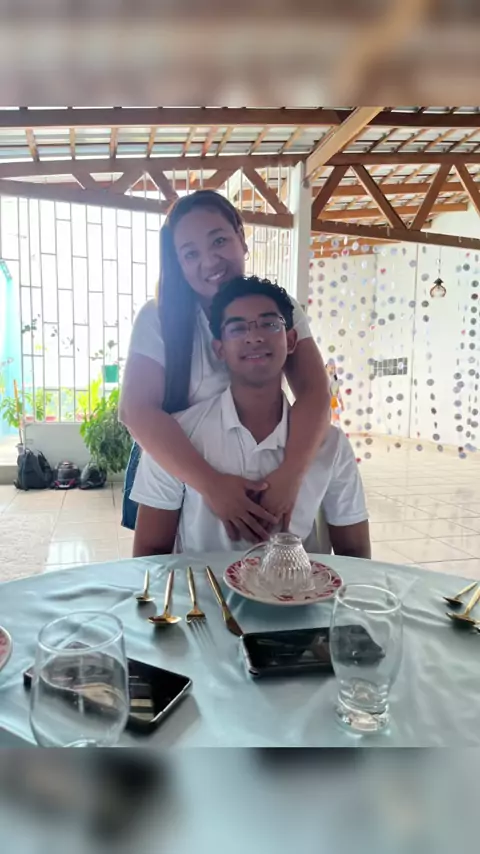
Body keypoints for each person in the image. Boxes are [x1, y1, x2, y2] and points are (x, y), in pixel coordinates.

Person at [120, 189, 331, 542]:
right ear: (178, 263)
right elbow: (136, 410)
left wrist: (291, 474)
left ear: (241, 239)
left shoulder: (279, 308)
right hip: (183, 476)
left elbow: (315, 392)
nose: (209, 261)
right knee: (184, 563)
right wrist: (212, 485)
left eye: (219, 241)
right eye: (190, 253)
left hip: (266, 470)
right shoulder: (158, 317)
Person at [131, 276, 371, 559]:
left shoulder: (331, 444)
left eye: (269, 324)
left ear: (290, 340)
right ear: (219, 349)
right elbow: (151, 552)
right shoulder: (177, 439)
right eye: (237, 328)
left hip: (297, 586)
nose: (254, 337)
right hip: (202, 587)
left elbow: (354, 552)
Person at [326, 358, 344, 424]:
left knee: (336, 421)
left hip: (333, 400)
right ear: (327, 367)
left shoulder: (334, 376)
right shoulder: (322, 376)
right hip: (325, 401)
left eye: (334, 368)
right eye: (332, 368)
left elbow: (337, 390)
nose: (333, 370)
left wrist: (341, 403)